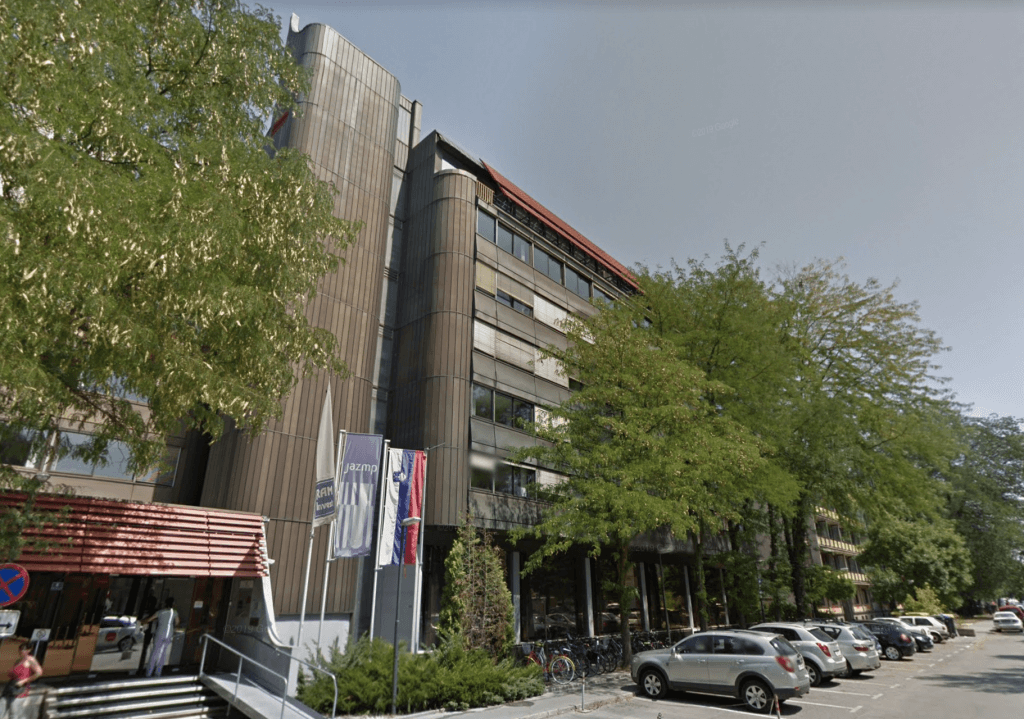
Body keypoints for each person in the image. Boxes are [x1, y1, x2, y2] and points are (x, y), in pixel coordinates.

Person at [2, 643, 42, 719]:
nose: (20, 651)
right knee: (2, 707)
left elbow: (39, 673)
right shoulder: (19, 660)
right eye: (20, 649)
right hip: (11, 686)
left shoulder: (31, 660)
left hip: (20, 689)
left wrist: (24, 681)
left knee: (14, 713)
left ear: (28, 650)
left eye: (23, 649)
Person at [143, 597, 179, 677]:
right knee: (163, 653)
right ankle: (158, 673)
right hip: (169, 634)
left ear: (165, 603)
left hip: (160, 633)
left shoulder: (160, 612)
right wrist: (175, 629)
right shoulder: (174, 612)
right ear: (173, 604)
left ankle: (148, 673)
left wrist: (142, 621)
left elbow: (149, 619)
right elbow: (177, 622)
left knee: (155, 652)